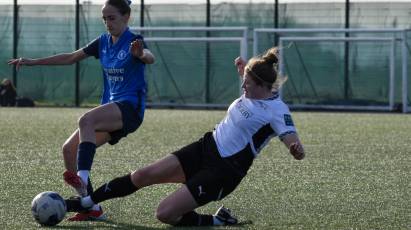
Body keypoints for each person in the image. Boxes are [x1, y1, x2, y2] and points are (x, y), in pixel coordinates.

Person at [65, 46, 305, 226]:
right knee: (142, 175)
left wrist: (296, 148)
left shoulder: (277, 110)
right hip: (205, 147)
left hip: (223, 171)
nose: (243, 88)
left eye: (248, 84)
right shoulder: (253, 89)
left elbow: (292, 139)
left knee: (165, 214)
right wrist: (244, 71)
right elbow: (249, 89)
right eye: (243, 82)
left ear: (263, 86)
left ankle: (218, 220)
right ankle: (86, 203)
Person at [8, 0, 155, 221]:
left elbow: (149, 57)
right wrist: (33, 62)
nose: (107, 22)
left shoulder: (134, 41)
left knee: (85, 119)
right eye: (104, 18)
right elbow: (71, 57)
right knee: (68, 149)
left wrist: (141, 54)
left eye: (112, 17)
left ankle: (83, 184)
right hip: (111, 108)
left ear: (126, 17)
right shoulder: (103, 42)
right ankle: (91, 208)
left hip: (130, 109)